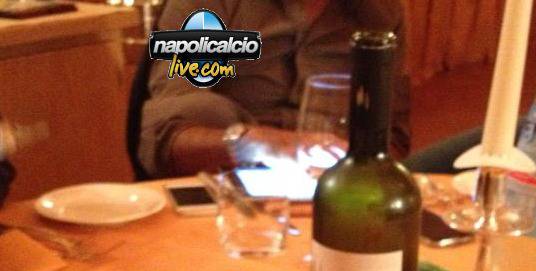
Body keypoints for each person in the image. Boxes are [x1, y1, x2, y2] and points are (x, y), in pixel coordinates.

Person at [138, 0, 411, 178]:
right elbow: (165, 138)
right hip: (226, 187)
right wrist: (256, 146)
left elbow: (392, 139)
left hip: (337, 190)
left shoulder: (382, 14)